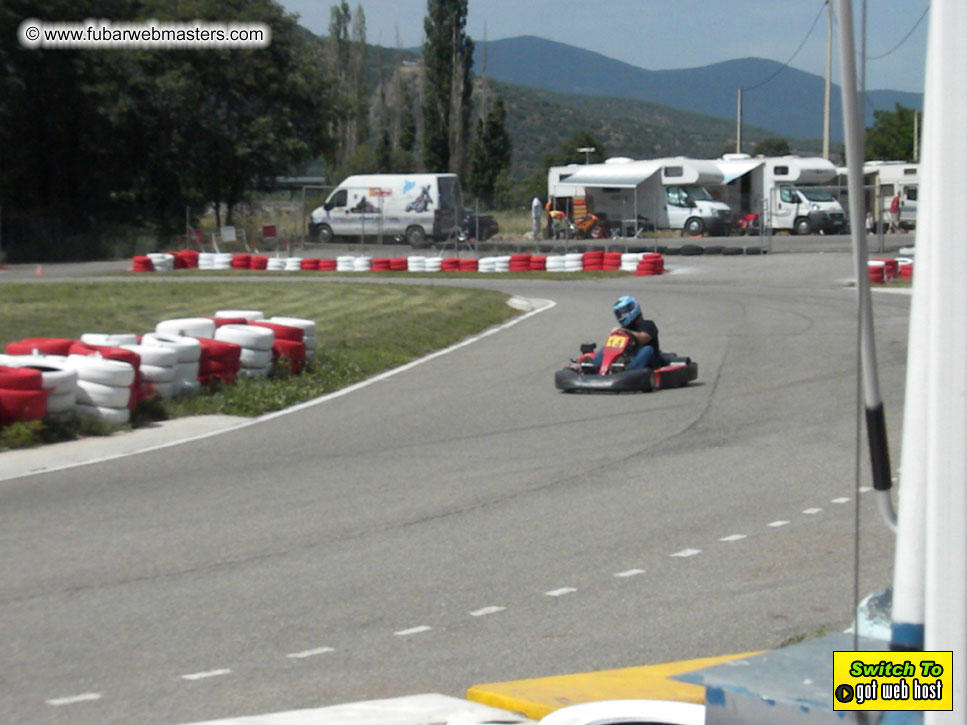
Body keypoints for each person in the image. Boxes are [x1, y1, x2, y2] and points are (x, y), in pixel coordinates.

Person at [591, 296, 664, 371]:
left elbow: (643, 338)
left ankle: (629, 372)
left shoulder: (648, 324)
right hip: (628, 360)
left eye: (624, 312)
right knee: (606, 348)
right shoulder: (624, 329)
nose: (622, 316)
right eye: (620, 314)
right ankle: (594, 368)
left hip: (648, 363)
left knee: (647, 349)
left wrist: (625, 331)